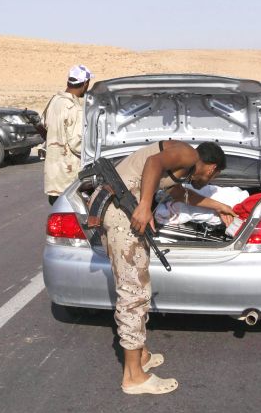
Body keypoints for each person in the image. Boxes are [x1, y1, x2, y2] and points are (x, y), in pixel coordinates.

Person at [98, 140, 235, 395]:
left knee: (137, 287)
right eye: (214, 177)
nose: (208, 182)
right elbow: (154, 163)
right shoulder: (188, 154)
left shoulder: (182, 161)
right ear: (212, 168)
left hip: (118, 208)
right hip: (122, 214)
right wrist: (144, 205)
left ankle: (141, 356)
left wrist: (217, 207)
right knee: (133, 295)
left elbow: (177, 194)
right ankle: (134, 377)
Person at [43, 65, 92, 205]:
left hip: (53, 177)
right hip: (69, 180)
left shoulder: (54, 101)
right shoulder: (75, 109)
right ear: (85, 83)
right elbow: (77, 144)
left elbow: (44, 125)